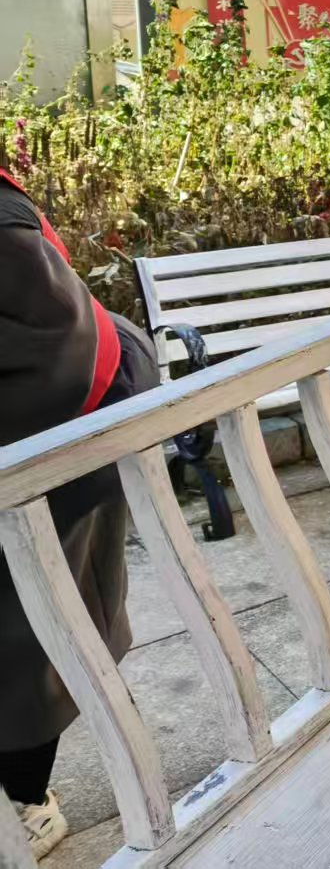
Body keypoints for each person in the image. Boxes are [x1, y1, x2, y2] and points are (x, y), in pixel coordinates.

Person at [1, 167, 158, 860]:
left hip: (69, 430)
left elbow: (65, 352)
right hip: (46, 431)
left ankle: (29, 803)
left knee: (32, 639)